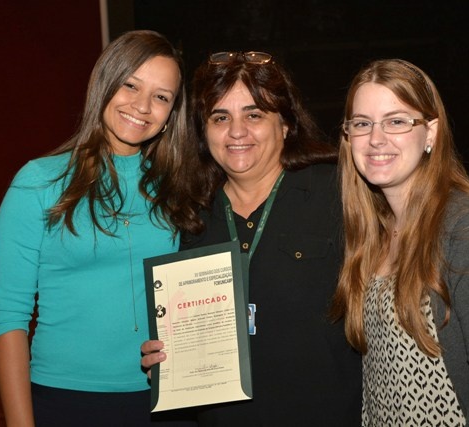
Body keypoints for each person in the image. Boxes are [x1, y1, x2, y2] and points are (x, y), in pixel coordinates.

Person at [0, 30, 202, 426]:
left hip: (167, 401)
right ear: (104, 84)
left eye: (161, 96)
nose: (142, 106)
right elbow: (8, 318)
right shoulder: (38, 183)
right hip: (66, 401)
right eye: (130, 85)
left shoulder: (181, 189)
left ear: (172, 114)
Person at [141, 51, 363, 425]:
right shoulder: (189, 215)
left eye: (254, 115)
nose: (236, 131)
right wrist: (167, 361)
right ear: (203, 129)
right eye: (220, 117)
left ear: (286, 124)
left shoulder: (340, 194)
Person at [330, 58, 469, 426]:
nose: (376, 138)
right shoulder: (376, 235)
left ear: (430, 132)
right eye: (362, 124)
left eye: (396, 121)